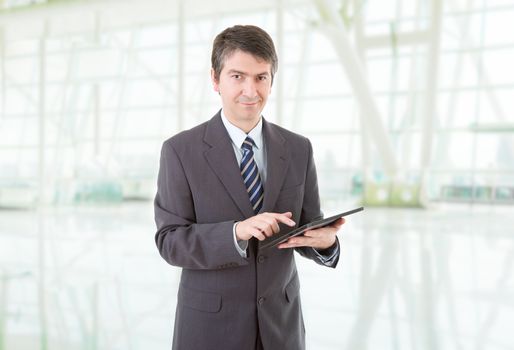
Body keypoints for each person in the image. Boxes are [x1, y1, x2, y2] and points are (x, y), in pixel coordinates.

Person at [154, 24, 345, 350]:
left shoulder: (298, 149)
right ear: (215, 79)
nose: (251, 90)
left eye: (261, 77)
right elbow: (170, 241)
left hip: (280, 329)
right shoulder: (180, 151)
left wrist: (326, 244)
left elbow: (304, 228)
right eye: (237, 76)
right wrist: (236, 232)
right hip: (210, 329)